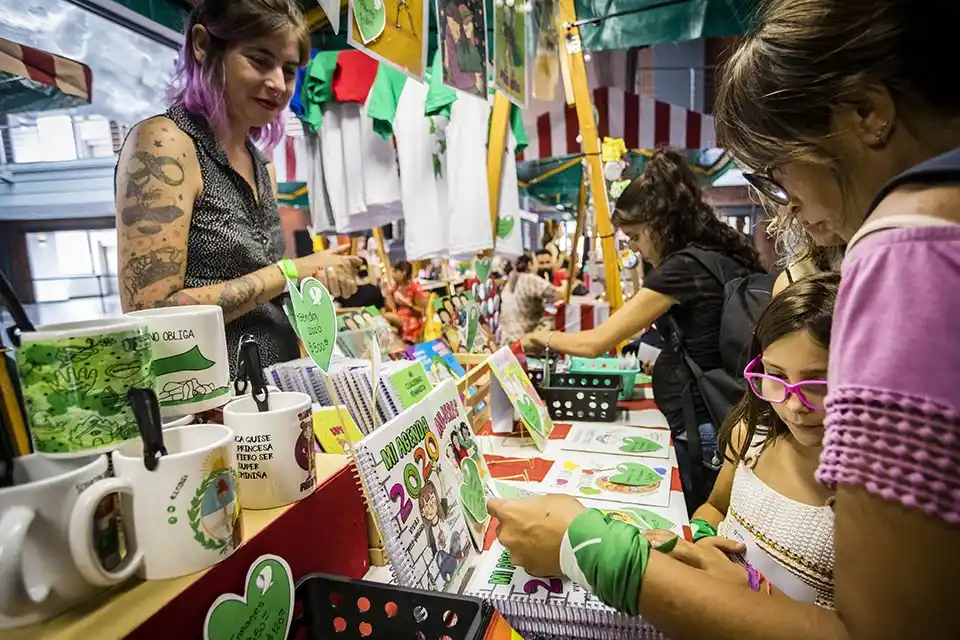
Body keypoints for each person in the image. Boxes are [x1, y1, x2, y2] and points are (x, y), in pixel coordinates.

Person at [493, 1, 960, 636]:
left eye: (776, 175)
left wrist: (592, 549)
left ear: (867, 114)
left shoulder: (909, 245)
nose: (790, 206)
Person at [489, 273, 840, 629]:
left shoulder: (861, 494)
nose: (794, 405)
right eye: (775, 375)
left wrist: (747, 585)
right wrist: (700, 540)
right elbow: (716, 506)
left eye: (818, 383)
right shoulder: (752, 436)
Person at [114, 0, 358, 373]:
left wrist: (313, 279)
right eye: (259, 60)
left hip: (275, 398)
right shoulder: (165, 143)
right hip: (209, 413)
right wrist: (291, 271)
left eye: (289, 70)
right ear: (203, 45)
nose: (278, 83)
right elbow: (149, 314)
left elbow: (261, 292)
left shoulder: (261, 163)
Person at [525, 149, 766, 509]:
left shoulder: (681, 269)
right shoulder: (714, 253)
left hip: (700, 423)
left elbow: (597, 342)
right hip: (720, 417)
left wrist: (542, 337)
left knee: (700, 516)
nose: (636, 248)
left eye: (636, 237)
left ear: (660, 224)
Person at [499, 254, 567, 346]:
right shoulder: (529, 279)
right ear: (530, 264)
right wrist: (567, 282)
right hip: (521, 338)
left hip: (506, 337)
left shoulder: (511, 278)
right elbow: (559, 294)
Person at [390, 260, 427, 343]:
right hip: (398, 326)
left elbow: (422, 311)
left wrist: (407, 304)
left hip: (412, 327)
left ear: (403, 272)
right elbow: (390, 307)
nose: (393, 275)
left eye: (395, 271)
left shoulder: (415, 288)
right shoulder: (394, 288)